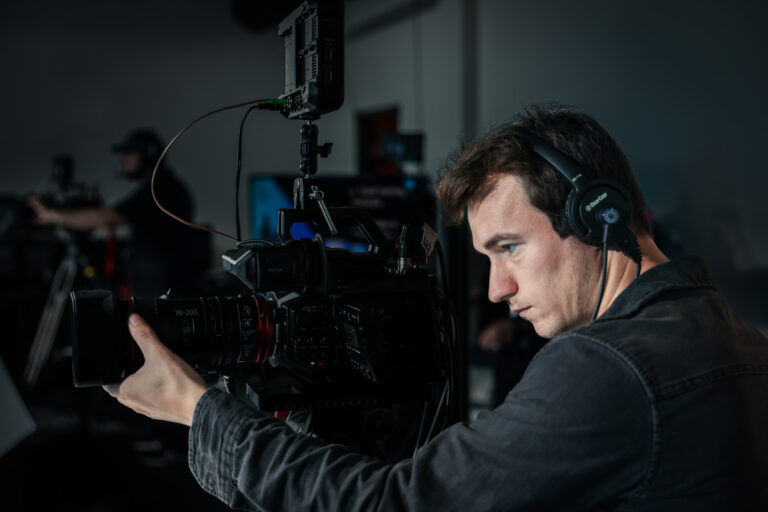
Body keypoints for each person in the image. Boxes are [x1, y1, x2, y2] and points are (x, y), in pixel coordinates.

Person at [103, 104, 768, 510]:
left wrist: (198, 408)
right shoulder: (730, 333)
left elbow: (392, 505)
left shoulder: (609, 369)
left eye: (509, 247)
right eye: (485, 258)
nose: (495, 290)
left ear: (597, 215)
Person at [28, 129, 195, 296]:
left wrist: (53, 215)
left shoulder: (161, 189)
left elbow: (107, 217)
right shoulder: (168, 186)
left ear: (148, 155)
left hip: (161, 291)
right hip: (162, 287)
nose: (123, 160)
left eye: (129, 153)